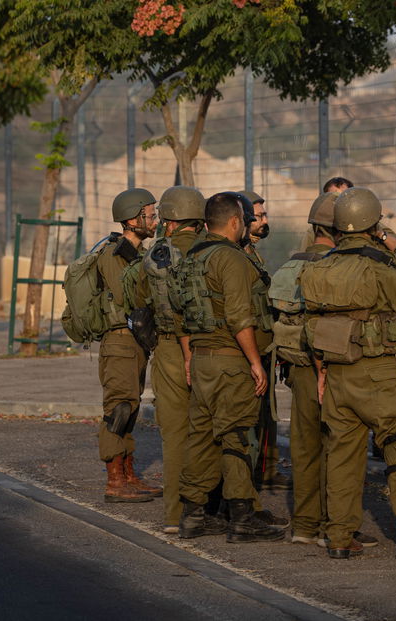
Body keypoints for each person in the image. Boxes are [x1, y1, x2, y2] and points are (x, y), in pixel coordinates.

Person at [300, 187, 396, 561]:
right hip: (378, 373)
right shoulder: (380, 267)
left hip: (337, 373)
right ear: (374, 222)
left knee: (341, 457)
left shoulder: (318, 266)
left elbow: (314, 325)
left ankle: (339, 537)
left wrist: (322, 371)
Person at [174, 192, 285, 542]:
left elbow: (181, 314)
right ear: (235, 222)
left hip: (203, 358)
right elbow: (240, 317)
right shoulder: (232, 259)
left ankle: (193, 516)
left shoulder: (192, 257)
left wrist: (190, 357)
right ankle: (241, 517)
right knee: (236, 436)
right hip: (230, 361)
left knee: (201, 439)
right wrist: (256, 363)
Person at [269, 191, 366, 547]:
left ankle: (305, 525)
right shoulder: (339, 267)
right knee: (339, 449)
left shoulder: (290, 265)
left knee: (304, 447)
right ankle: (335, 526)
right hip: (332, 368)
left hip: (296, 369)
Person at [122, 185, 206, 533]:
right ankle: (209, 508)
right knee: (212, 433)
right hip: (213, 348)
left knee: (173, 436)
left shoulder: (155, 253)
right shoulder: (215, 251)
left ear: (168, 221)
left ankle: (174, 515)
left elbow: (138, 297)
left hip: (169, 349)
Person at [95, 188, 162, 503]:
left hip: (134, 341)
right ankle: (114, 480)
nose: (155, 220)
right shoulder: (115, 254)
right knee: (119, 408)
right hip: (120, 339)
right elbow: (128, 298)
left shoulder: (136, 254)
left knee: (131, 407)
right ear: (134, 218)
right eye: (150, 214)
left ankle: (129, 473)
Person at [239, 189, 287, 492]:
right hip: (250, 346)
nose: (264, 220)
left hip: (263, 343)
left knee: (267, 413)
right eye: (259, 215)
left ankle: (266, 470)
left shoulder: (253, 251)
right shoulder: (240, 253)